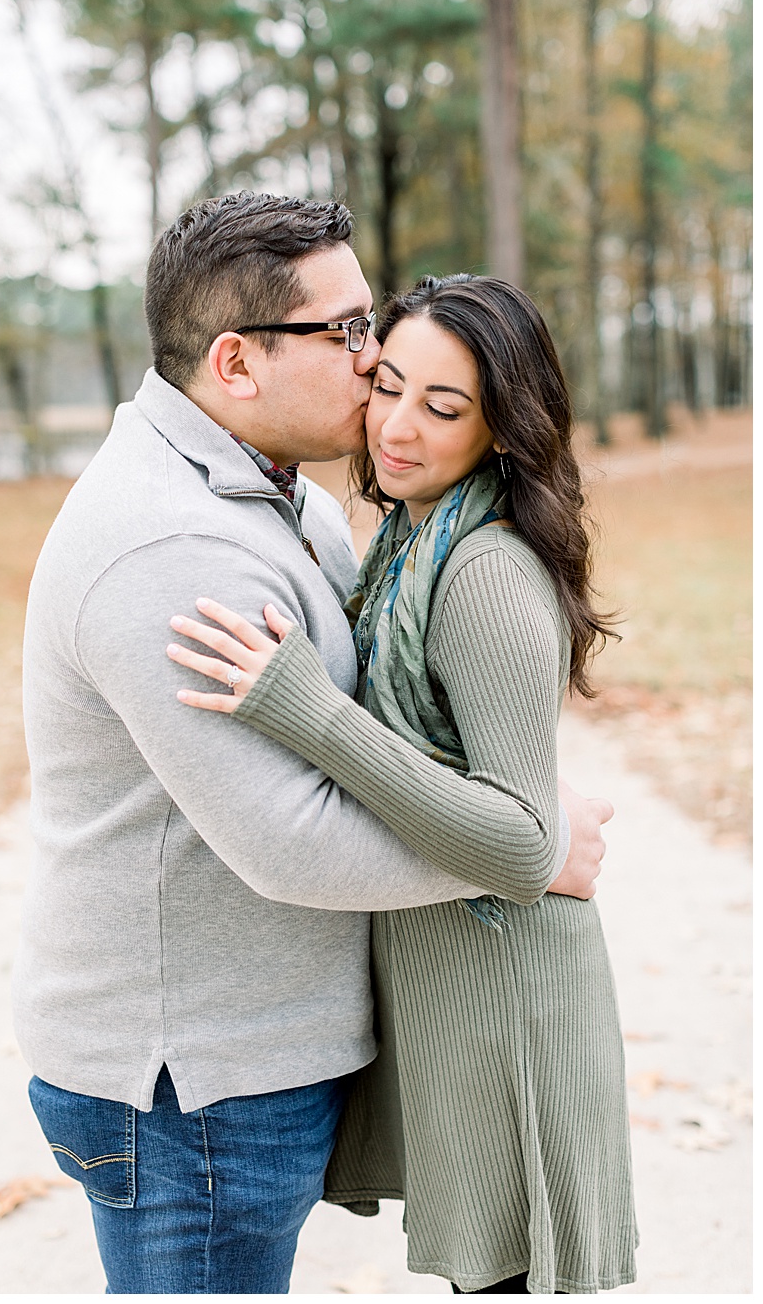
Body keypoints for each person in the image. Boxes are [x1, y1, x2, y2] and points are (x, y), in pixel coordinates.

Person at [12, 191, 612, 1294]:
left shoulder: (281, 497)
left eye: (368, 319)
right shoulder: (172, 546)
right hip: (190, 1083)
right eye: (343, 332)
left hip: (234, 1058)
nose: (372, 354)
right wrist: (532, 846)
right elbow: (293, 841)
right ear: (236, 365)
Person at [168, 273, 635, 1293]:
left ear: (504, 430)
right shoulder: (410, 546)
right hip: (454, 998)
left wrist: (308, 711)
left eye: (445, 406)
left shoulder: (485, 571)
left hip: (510, 1003)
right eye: (390, 386)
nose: (397, 426)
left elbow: (519, 843)